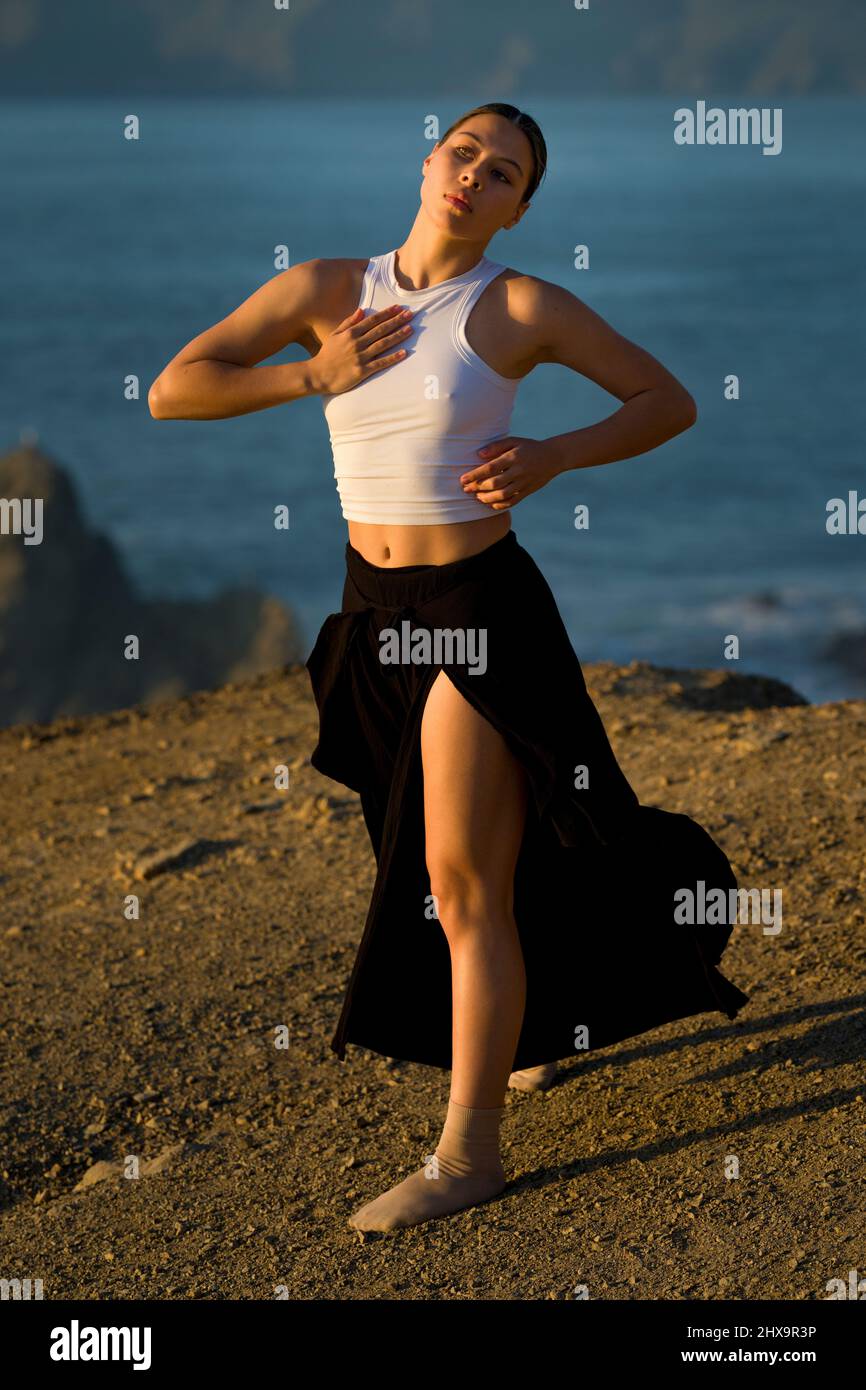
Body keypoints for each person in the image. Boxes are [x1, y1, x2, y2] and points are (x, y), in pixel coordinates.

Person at [148, 102, 749, 1235]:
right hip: (368, 610)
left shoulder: (517, 306)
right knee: (428, 855)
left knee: (463, 878)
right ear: (429, 160)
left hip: (477, 611)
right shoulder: (327, 292)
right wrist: (309, 377)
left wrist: (554, 455)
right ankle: (528, 1035)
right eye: (464, 151)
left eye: (505, 172)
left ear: (520, 207)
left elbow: (666, 399)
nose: (476, 174)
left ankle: (468, 1151)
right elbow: (174, 387)